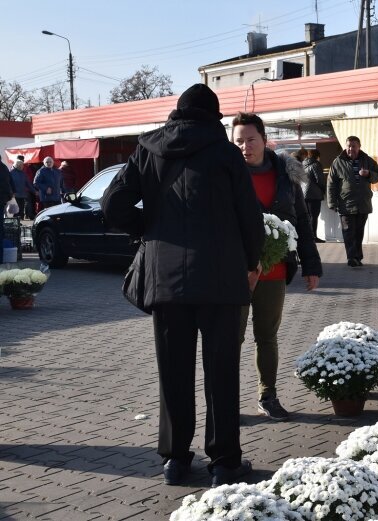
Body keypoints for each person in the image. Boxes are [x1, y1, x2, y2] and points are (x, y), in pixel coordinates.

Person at [102, 84, 264, 488]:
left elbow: (111, 205)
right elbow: (249, 216)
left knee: (173, 370)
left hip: (166, 279)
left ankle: (175, 460)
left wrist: (149, 231)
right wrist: (252, 261)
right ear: (214, 116)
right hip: (222, 279)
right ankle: (224, 462)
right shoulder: (226, 153)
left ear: (177, 113)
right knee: (221, 371)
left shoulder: (148, 150)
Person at [232, 112, 323, 421]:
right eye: (239, 141)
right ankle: (226, 398)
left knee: (267, 337)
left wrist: (312, 264)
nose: (245, 147)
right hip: (237, 273)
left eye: (251, 139)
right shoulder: (228, 175)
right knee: (231, 338)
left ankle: (267, 395)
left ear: (264, 139)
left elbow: (302, 221)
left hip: (275, 272)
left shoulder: (285, 175)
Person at [327, 136, 378, 267]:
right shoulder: (338, 162)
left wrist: (369, 174)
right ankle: (351, 257)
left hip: (363, 203)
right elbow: (331, 183)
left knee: (358, 232)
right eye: (348, 146)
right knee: (348, 232)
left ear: (359, 147)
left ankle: (357, 257)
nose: (350, 148)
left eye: (353, 146)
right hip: (346, 204)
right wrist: (332, 203)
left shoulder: (367, 160)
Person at [302, 149, 326, 242]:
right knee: (314, 216)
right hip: (314, 194)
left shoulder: (303, 164)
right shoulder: (316, 164)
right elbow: (320, 180)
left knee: (307, 216)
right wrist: (323, 190)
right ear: (317, 156)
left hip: (304, 194)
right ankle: (313, 237)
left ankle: (307, 237)